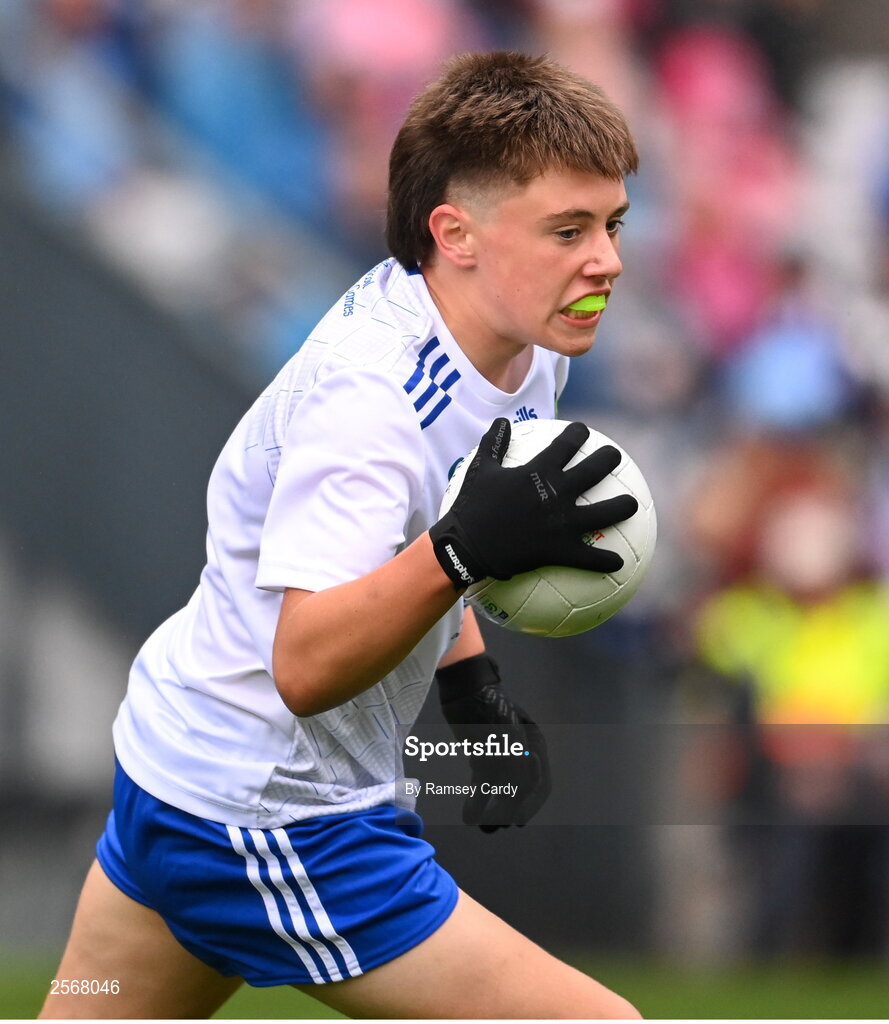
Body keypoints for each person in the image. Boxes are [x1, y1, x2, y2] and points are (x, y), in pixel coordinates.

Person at [41, 51, 643, 1019]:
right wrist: (458, 552)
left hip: (187, 762)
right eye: (567, 230)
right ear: (456, 234)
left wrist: (471, 690)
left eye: (611, 224)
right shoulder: (369, 403)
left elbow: (419, 542)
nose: (606, 259)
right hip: (264, 811)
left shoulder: (516, 344)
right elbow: (306, 660)